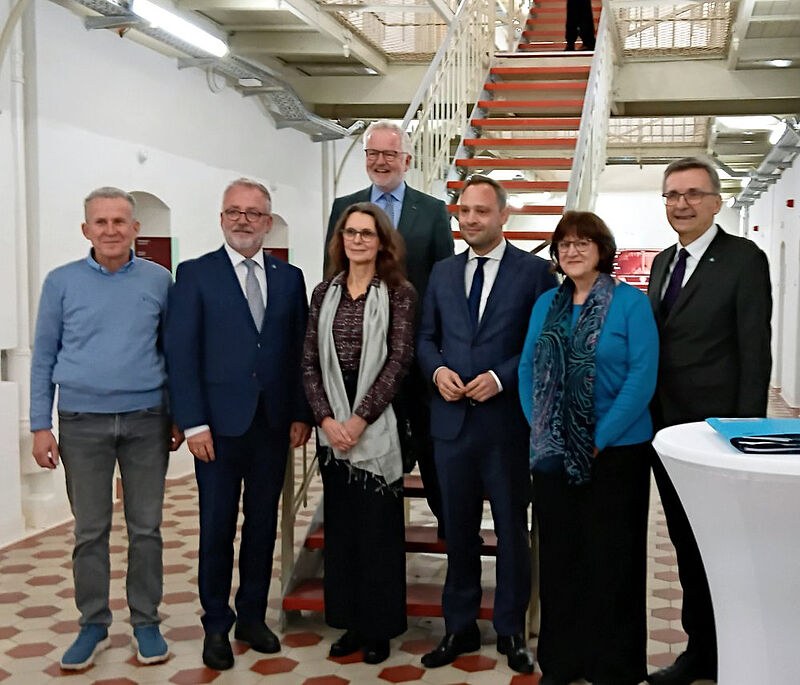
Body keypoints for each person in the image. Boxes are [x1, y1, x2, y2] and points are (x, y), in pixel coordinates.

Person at [29, 187, 182, 669]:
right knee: (90, 530)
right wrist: (39, 424)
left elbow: (173, 353)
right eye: (101, 222)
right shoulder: (61, 282)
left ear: (137, 229)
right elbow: (43, 356)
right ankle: (93, 624)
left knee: (146, 529)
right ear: (86, 229)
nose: (111, 230)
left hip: (146, 421)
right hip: (80, 423)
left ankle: (146, 622)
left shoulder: (160, 280)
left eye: (121, 222)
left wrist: (178, 413)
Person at [164, 178, 312, 671]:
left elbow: (298, 354)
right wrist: (193, 423)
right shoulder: (194, 274)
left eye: (253, 213)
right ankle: (215, 625)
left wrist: (299, 413)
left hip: (272, 425)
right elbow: (181, 355)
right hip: (217, 431)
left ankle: (252, 615)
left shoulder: (289, 278)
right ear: (222, 218)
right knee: (217, 528)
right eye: (234, 211)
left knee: (263, 525)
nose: (243, 220)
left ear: (268, 222)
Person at [417, 174, 557, 674]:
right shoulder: (440, 273)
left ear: (503, 215)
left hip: (507, 426)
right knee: (457, 531)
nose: (471, 219)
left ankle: (511, 630)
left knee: (511, 533)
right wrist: (436, 371)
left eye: (481, 211)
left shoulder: (536, 273)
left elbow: (544, 342)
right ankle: (459, 626)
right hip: (451, 424)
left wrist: (501, 376)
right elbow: (425, 338)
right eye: (464, 212)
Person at [646, 157, 772, 685]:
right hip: (667, 431)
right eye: (672, 195)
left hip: (717, 433)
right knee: (683, 540)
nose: (681, 204)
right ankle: (704, 651)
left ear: (717, 201)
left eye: (693, 194)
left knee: (721, 544)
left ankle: (729, 650)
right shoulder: (661, 263)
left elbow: (754, 352)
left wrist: (745, 436)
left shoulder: (744, 259)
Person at [519, 211, 658, 685]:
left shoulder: (629, 305)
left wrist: (595, 439)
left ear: (602, 249)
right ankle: (563, 662)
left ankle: (613, 666)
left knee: (611, 561)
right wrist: (544, 427)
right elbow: (526, 371)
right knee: (560, 561)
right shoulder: (545, 305)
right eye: (564, 244)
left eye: (582, 242)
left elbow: (641, 379)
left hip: (616, 454)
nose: (572, 251)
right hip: (554, 455)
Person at [326, 120, 453, 537]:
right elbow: (335, 273)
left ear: (407, 160)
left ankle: (450, 530)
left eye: (390, 154)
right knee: (363, 454)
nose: (381, 162)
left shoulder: (432, 211)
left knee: (430, 451)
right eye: (373, 154)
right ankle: (371, 540)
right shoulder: (345, 207)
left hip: (415, 356)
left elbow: (442, 284)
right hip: (357, 366)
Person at [303, 202, 415, 664]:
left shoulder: (399, 292)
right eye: (350, 232)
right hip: (332, 426)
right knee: (343, 532)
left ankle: (379, 627)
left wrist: (358, 420)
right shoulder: (322, 292)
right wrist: (327, 420)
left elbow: (399, 360)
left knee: (377, 535)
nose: (358, 240)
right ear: (340, 239)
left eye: (367, 233)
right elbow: (309, 360)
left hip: (376, 426)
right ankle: (349, 622)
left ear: (382, 241)